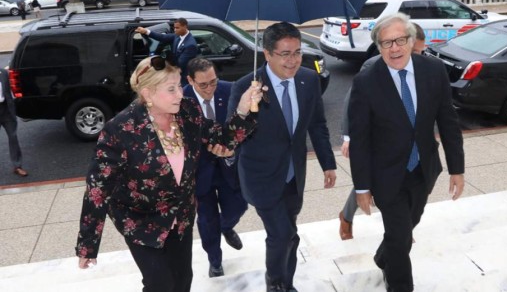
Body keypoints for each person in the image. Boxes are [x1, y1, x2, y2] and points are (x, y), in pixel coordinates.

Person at [75, 54, 263, 292]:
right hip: (141, 220)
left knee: (183, 281)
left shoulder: (187, 111)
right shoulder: (120, 130)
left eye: (179, 87)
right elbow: (97, 189)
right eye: (171, 89)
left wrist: (244, 109)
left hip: (181, 216)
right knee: (159, 285)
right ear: (148, 94)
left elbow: (223, 137)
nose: (180, 94)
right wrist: (88, 246)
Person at [348, 13, 465, 292]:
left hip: (423, 168)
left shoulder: (433, 70)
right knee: (400, 237)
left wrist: (456, 168)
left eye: (400, 40)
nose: (394, 48)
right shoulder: (366, 81)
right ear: (378, 47)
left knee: (410, 222)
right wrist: (362, 187)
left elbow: (447, 121)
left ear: (411, 41)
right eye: (386, 43)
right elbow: (360, 140)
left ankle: (382, 256)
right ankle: (400, 285)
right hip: (386, 174)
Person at [228, 22, 337, 292]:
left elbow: (317, 125)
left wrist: (328, 164)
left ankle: (286, 284)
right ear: (267, 54)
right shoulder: (246, 87)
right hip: (261, 177)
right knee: (281, 234)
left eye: (297, 52)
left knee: (290, 234)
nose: (293, 60)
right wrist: (245, 110)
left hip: (293, 175)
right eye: (285, 54)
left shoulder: (309, 80)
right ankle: (274, 284)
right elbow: (231, 137)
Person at [338, 22, 426, 240]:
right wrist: (349, 137)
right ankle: (347, 217)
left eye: (421, 52)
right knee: (367, 182)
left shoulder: (423, 67)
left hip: (409, 142)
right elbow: (352, 102)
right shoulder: (373, 67)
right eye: (416, 52)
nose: (418, 57)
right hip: (378, 140)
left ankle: (401, 229)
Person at [183, 57, 248, 278]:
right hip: (200, 174)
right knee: (206, 219)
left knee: (238, 207)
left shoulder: (230, 90)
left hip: (229, 167)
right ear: (190, 80)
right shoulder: (180, 100)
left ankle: (226, 226)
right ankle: (215, 260)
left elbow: (245, 126)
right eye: (204, 84)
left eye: (214, 81)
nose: (211, 88)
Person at [135, 18, 197, 86]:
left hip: (183, 79)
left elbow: (180, 64)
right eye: (174, 28)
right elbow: (162, 37)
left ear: (185, 27)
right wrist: (146, 31)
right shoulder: (177, 36)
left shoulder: (190, 45)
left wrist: (167, 57)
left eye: (177, 28)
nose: (175, 30)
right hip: (175, 75)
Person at [0, 68, 27, 177]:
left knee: (13, 137)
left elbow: (10, 90)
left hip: (6, 110)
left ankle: (17, 166)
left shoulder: (3, 73)